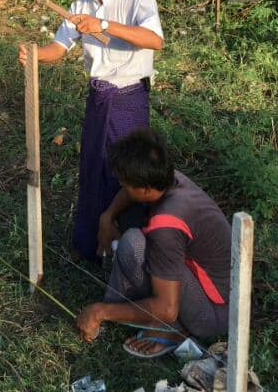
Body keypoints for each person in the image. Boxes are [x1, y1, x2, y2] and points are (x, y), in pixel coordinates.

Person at [18, 0, 163, 260]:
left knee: (127, 171)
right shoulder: (79, 5)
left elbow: (155, 40)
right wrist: (34, 54)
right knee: (93, 167)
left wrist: (104, 25)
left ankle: (127, 248)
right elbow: (59, 47)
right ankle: (92, 243)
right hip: (98, 97)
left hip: (129, 99)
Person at [75, 128, 232, 358]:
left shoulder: (166, 226)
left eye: (125, 182)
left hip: (213, 313)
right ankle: (129, 301)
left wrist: (101, 312)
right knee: (129, 217)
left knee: (133, 245)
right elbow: (129, 195)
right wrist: (106, 217)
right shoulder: (168, 178)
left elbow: (167, 309)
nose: (121, 185)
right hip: (227, 291)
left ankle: (175, 330)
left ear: (146, 188)